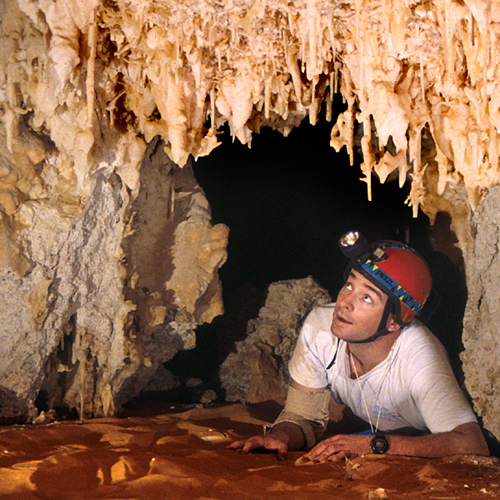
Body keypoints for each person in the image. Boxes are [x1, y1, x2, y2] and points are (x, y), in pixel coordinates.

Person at [228, 231, 489, 461]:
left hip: (421, 441)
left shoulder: (421, 356)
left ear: (394, 320)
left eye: (366, 297)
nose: (345, 302)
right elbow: (302, 415)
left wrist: (374, 445)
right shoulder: (321, 326)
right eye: (349, 284)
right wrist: (282, 436)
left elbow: (472, 443)